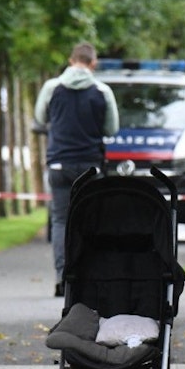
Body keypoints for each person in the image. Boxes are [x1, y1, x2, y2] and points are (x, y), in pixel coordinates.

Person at [34, 42, 119, 297]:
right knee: (90, 221)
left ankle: (62, 278)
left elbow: (40, 118)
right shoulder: (102, 91)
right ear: (93, 63)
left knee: (60, 221)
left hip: (59, 164)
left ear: (71, 61)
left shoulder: (51, 87)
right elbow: (111, 128)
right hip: (91, 167)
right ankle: (86, 278)